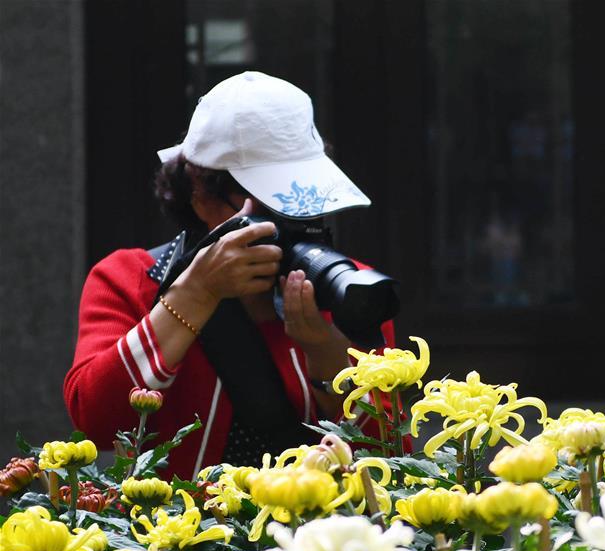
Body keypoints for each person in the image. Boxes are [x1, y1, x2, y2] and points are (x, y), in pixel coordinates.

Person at [64, 71, 398, 479]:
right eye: (267, 199)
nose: (288, 214)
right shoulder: (131, 278)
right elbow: (96, 422)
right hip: (175, 536)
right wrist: (196, 293)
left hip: (314, 535)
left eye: (301, 195)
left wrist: (327, 355)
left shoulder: (349, 287)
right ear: (199, 193)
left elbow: (390, 459)